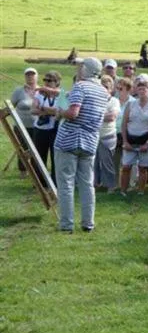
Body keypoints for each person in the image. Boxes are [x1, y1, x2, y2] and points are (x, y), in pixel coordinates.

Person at [53, 58, 109, 233]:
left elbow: (73, 113)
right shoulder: (103, 91)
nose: (79, 69)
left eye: (81, 66)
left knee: (66, 184)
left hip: (69, 140)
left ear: (86, 69)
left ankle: (67, 225)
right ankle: (87, 223)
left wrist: (59, 113)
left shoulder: (80, 86)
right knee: (87, 184)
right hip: (90, 141)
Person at [120, 74, 148, 195]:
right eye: (139, 88)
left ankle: (141, 191)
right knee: (126, 166)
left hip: (146, 140)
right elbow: (124, 123)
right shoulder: (131, 104)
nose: (142, 91)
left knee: (143, 168)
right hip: (130, 138)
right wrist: (125, 141)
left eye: (145, 88)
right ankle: (123, 190)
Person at [31, 70, 62, 184]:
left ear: (57, 82)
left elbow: (62, 111)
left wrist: (43, 109)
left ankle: (55, 182)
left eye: (50, 80)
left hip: (55, 130)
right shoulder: (39, 94)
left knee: (56, 157)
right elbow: (33, 110)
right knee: (39, 156)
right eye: (45, 80)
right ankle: (39, 182)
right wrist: (51, 111)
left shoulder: (61, 94)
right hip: (40, 129)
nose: (46, 83)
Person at [93, 75, 120, 193]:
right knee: (93, 163)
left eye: (106, 87)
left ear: (111, 89)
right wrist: (102, 116)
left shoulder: (114, 101)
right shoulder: (95, 100)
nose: (103, 89)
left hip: (107, 136)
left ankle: (111, 185)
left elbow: (112, 117)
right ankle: (95, 183)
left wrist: (96, 116)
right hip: (94, 135)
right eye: (101, 86)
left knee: (107, 162)